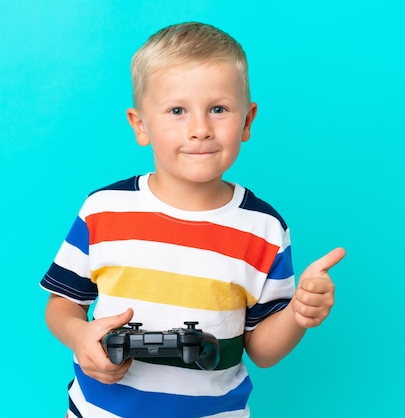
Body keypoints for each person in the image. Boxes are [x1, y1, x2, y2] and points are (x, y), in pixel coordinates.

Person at [41, 21, 345, 418]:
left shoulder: (265, 229)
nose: (200, 129)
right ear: (140, 125)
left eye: (218, 109)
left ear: (247, 121)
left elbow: (263, 352)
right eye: (177, 110)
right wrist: (80, 335)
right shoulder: (103, 209)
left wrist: (299, 315)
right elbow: (63, 304)